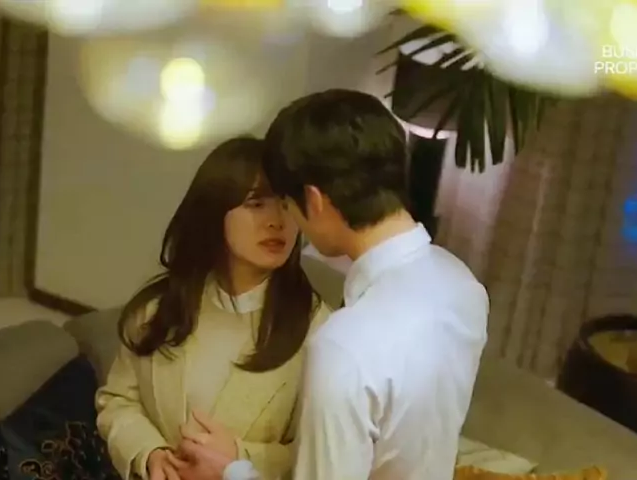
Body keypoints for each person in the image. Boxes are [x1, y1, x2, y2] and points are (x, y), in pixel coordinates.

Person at [177, 89, 489, 480]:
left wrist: (231, 471)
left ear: (314, 201)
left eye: (287, 204)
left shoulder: (344, 346)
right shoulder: (463, 284)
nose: (284, 220)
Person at [95, 137, 331, 480]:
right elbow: (118, 400)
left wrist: (238, 459)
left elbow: (322, 455)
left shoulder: (320, 332)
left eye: (286, 203)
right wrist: (150, 453)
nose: (277, 221)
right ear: (214, 210)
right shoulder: (158, 309)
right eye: (256, 203)